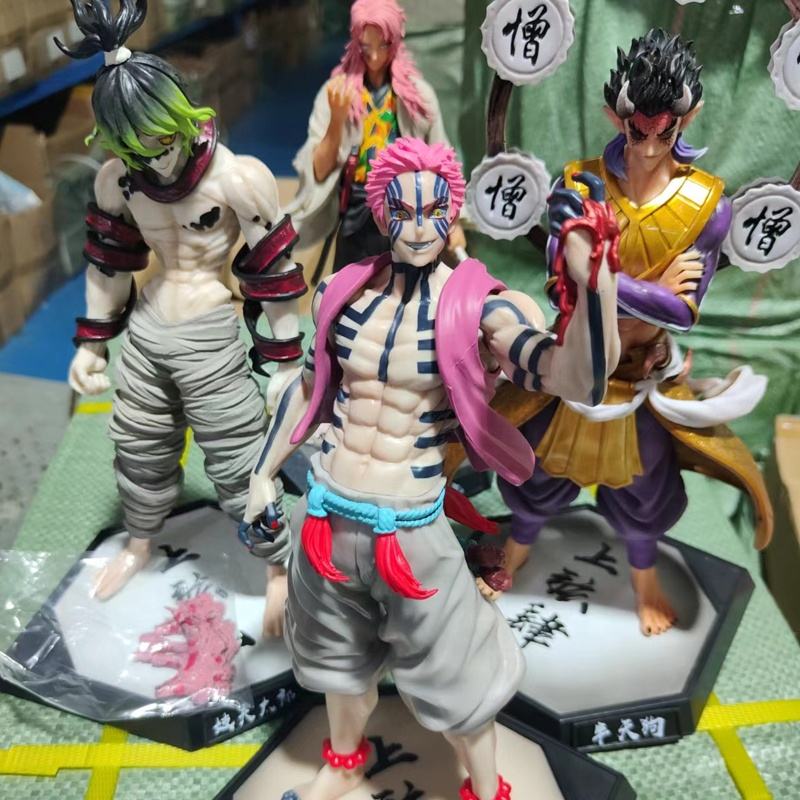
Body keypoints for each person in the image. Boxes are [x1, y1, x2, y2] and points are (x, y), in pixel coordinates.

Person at [240, 137, 621, 800]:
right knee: (336, 666)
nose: (418, 227)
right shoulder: (340, 292)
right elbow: (308, 390)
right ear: (382, 213)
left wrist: (594, 290)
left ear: (453, 213)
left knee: (457, 678)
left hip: (410, 532)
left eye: (433, 211)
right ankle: (345, 760)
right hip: (325, 517)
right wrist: (262, 473)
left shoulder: (482, 307)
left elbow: (574, 379)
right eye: (404, 211)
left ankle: (486, 788)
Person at [481, 29, 771, 636]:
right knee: (533, 468)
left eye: (664, 131)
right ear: (617, 115)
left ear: (688, 117)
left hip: (640, 378)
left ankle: (643, 578)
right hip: (571, 368)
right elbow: (563, 283)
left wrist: (606, 279)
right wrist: (649, 285)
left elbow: (683, 311)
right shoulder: (579, 186)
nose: (650, 146)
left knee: (647, 490)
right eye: (639, 130)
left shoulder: (708, 205)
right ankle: (516, 548)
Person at [61, 0, 299, 623]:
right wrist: (92, 343)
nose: (157, 158)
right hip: (146, 332)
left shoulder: (237, 179)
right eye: (137, 148)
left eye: (163, 139)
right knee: (137, 448)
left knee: (241, 459)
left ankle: (277, 565)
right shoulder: (118, 180)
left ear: (180, 115)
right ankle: (139, 543)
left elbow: (273, 271)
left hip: (211, 334)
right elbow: (109, 264)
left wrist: (286, 361)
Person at [288, 0, 466, 275]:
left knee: (411, 282)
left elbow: (443, 161)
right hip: (357, 211)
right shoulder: (336, 92)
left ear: (394, 42)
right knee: (349, 285)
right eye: (365, 47)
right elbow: (319, 170)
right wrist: (336, 120)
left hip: (407, 209)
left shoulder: (417, 96)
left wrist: (455, 222)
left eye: (382, 46)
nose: (373, 57)